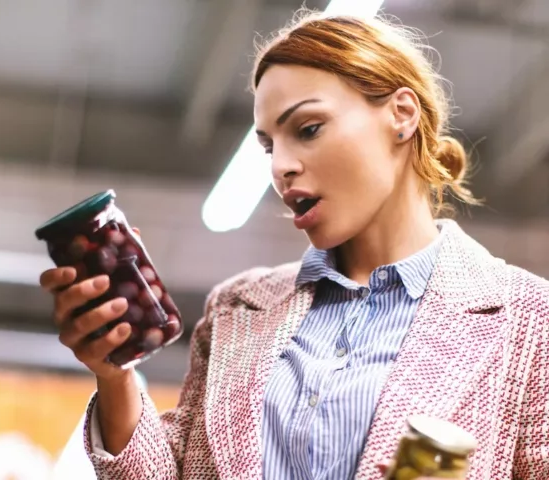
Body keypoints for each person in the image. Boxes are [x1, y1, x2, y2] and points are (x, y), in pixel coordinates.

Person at [39, 11, 549, 480]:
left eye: (307, 129)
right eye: (268, 145)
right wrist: (115, 375)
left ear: (401, 114)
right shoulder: (236, 309)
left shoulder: (528, 322)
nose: (279, 166)